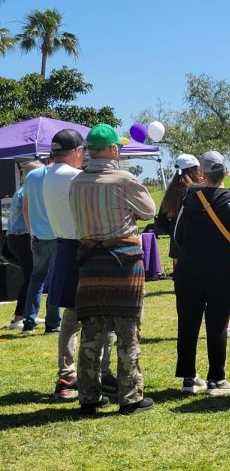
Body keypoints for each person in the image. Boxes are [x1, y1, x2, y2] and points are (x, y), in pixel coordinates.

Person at [69, 124, 156, 415]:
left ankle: (88, 397)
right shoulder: (123, 179)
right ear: (113, 150)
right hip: (124, 263)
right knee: (127, 331)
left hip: (91, 264)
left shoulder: (77, 182)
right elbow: (148, 212)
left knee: (91, 332)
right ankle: (130, 397)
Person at [172, 151, 230, 396]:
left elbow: (177, 236)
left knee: (187, 323)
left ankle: (189, 378)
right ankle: (216, 379)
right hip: (223, 273)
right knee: (218, 323)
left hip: (189, 271)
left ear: (202, 174)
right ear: (225, 173)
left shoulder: (189, 201)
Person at [44, 129, 116, 400]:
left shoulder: (46, 174)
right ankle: (100, 374)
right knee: (102, 311)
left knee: (71, 317)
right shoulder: (75, 177)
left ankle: (67, 375)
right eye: (83, 152)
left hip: (64, 246)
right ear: (76, 152)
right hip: (84, 247)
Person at [20, 157, 60, 334]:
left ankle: (29, 320)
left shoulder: (32, 176)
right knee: (56, 279)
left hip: (38, 236)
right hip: (58, 235)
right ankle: (52, 323)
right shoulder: (63, 175)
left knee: (36, 279)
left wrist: (31, 232)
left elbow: (26, 208)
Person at [5, 161, 42, 330]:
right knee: (31, 277)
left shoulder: (21, 190)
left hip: (14, 237)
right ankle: (19, 317)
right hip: (22, 237)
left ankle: (28, 313)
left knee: (31, 276)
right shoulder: (28, 191)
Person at [156, 153, 203, 262]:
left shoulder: (170, 193)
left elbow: (161, 223)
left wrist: (174, 231)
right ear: (192, 171)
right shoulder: (198, 191)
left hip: (177, 250)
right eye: (197, 170)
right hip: (197, 248)